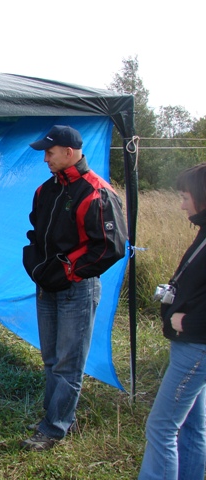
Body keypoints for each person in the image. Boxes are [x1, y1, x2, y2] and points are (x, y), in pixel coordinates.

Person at [21, 125, 127, 451]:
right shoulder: (45, 190)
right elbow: (36, 232)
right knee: (51, 359)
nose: (45, 159)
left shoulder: (97, 192)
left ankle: (53, 429)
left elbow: (111, 246)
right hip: (46, 287)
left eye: (49, 152)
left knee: (68, 364)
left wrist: (68, 271)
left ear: (69, 153)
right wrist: (36, 264)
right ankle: (54, 416)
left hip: (76, 290)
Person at [139, 164, 206, 479]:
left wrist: (188, 322)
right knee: (191, 424)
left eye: (185, 197)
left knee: (161, 426)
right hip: (191, 346)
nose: (181, 205)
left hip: (196, 347)